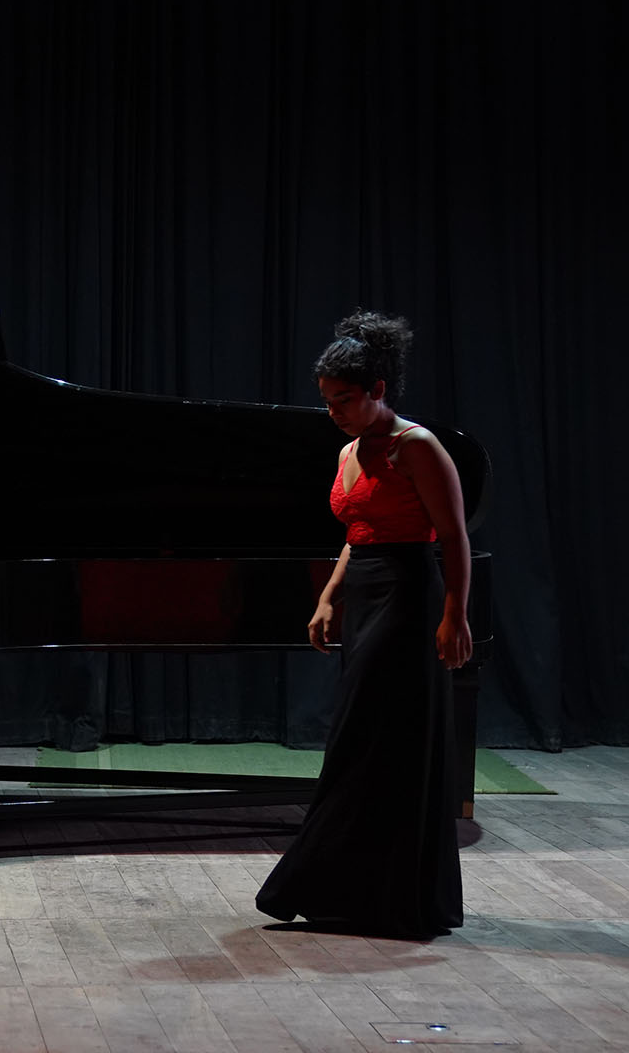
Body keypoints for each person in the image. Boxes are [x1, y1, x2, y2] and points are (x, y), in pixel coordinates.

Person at [255, 310, 471, 939]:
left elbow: (453, 537)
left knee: (379, 742)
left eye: (344, 400)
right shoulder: (349, 450)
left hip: (409, 595)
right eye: (327, 402)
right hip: (368, 592)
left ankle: (388, 895)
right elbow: (356, 533)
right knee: (366, 740)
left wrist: (454, 613)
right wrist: (328, 596)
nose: (334, 413)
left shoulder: (419, 447)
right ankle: (358, 890)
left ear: (378, 389)